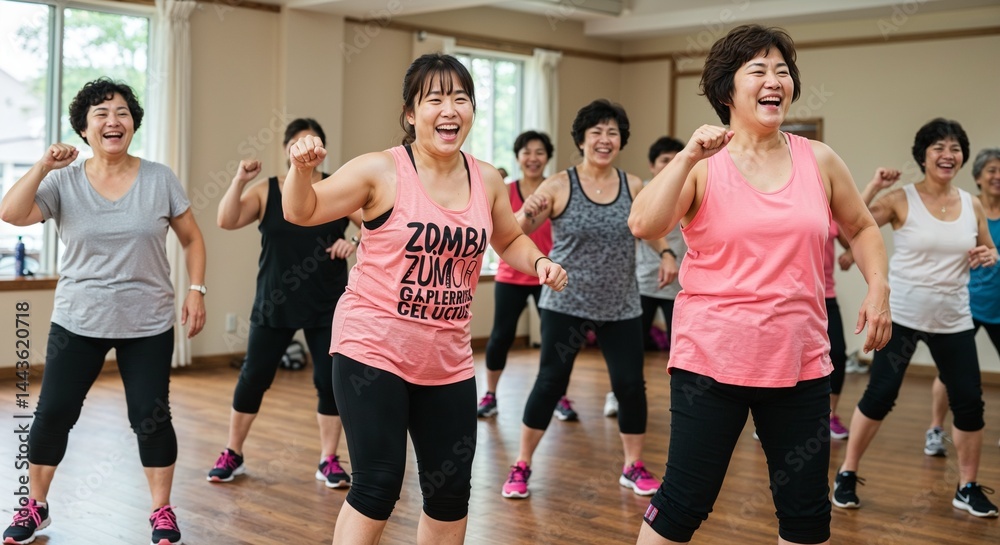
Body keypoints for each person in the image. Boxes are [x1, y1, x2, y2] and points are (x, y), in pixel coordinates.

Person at [281, 53, 566, 545]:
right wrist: (301, 171)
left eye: (460, 98)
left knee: (450, 492)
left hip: (447, 359)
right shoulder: (381, 170)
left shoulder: (488, 179)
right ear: (411, 113)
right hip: (372, 348)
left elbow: (509, 239)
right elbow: (302, 211)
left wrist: (537, 262)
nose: (449, 109)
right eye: (434, 99)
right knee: (378, 483)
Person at [629, 25, 891, 545]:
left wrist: (879, 286)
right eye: (759, 70)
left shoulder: (818, 159)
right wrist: (686, 158)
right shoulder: (704, 166)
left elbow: (861, 227)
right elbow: (644, 224)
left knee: (806, 513)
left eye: (782, 71)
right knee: (684, 502)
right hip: (712, 361)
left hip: (798, 361)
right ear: (727, 89)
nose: (776, 80)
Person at [0, 78, 206, 545]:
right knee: (53, 412)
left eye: (122, 113)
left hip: (148, 319)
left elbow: (193, 238)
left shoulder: (159, 178)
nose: (113, 121)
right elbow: (11, 213)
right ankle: (36, 506)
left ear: (133, 123)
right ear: (84, 128)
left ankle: (161, 511)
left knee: (150, 415)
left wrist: (197, 289)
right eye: (101, 113)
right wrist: (42, 165)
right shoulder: (62, 181)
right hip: (79, 318)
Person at [833, 119, 999, 519]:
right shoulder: (899, 199)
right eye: (939, 147)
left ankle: (967, 486)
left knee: (969, 404)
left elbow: (987, 247)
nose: (948, 154)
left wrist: (989, 255)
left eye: (955, 147)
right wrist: (872, 184)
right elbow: (848, 231)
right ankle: (846, 474)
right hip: (902, 317)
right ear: (923, 155)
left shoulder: (971, 203)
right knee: (879, 396)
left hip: (954, 318)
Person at [501, 99, 665, 500]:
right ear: (581, 139)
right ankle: (522, 464)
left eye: (612, 133)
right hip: (565, 303)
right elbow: (518, 229)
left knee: (630, 386)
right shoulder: (558, 184)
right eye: (597, 133)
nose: (605, 140)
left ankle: (633, 465)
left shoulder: (633, 185)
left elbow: (647, 227)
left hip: (621, 305)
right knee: (550, 383)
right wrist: (524, 215)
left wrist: (668, 252)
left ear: (621, 140)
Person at [209, 118, 361, 488]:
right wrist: (240, 181)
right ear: (286, 150)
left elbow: (375, 224)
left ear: (322, 149)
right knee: (254, 377)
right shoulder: (267, 190)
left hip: (326, 300)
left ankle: (328, 459)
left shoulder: (336, 187)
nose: (306, 148)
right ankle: (233, 451)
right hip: (274, 300)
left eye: (314, 142)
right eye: (298, 142)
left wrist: (354, 241)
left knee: (329, 382)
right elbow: (226, 221)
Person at [479, 131, 580, 420]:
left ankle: (558, 395)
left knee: (555, 339)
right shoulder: (505, 190)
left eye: (539, 152)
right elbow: (498, 234)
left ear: (547, 157)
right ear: (518, 156)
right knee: (501, 336)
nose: (533, 158)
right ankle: (490, 395)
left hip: (547, 275)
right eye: (527, 152)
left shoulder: (557, 190)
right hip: (510, 276)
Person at [921, 147, 1000, 457]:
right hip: (966, 306)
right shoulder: (967, 207)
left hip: (998, 308)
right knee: (948, 372)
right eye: (992, 170)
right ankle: (936, 429)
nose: (998, 176)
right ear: (978, 176)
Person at [604, 136, 685, 420]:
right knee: (631, 348)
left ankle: (686, 403)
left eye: (676, 159)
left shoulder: (691, 187)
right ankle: (618, 393)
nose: (670, 164)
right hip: (643, 281)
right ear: (652, 165)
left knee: (683, 349)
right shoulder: (646, 192)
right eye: (664, 160)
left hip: (682, 286)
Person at [826, 167, 902, 440]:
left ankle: (829, 416)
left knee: (836, 355)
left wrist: (874, 185)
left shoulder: (824, 207)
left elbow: (856, 227)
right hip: (785, 300)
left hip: (825, 296)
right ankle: (771, 423)